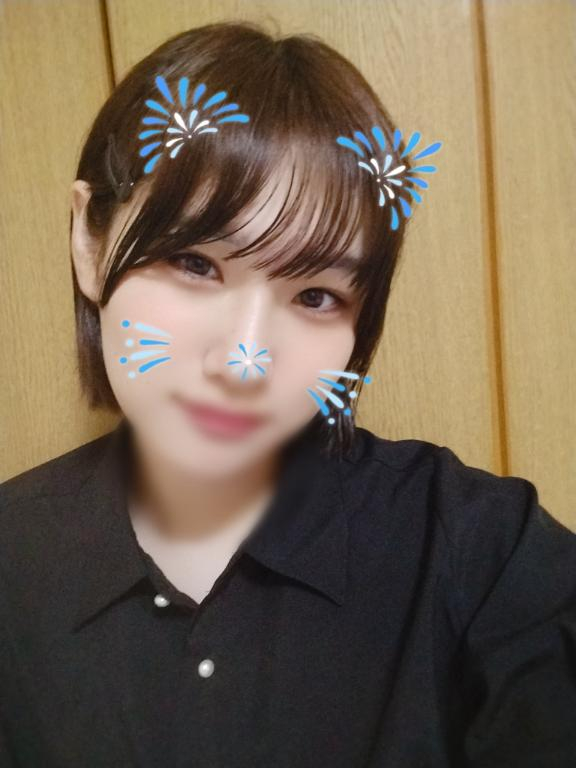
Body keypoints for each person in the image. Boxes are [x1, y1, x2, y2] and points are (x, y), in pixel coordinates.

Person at [1, 20, 575, 768]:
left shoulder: (483, 551)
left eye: (315, 296)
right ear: (89, 238)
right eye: (194, 262)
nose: (245, 364)